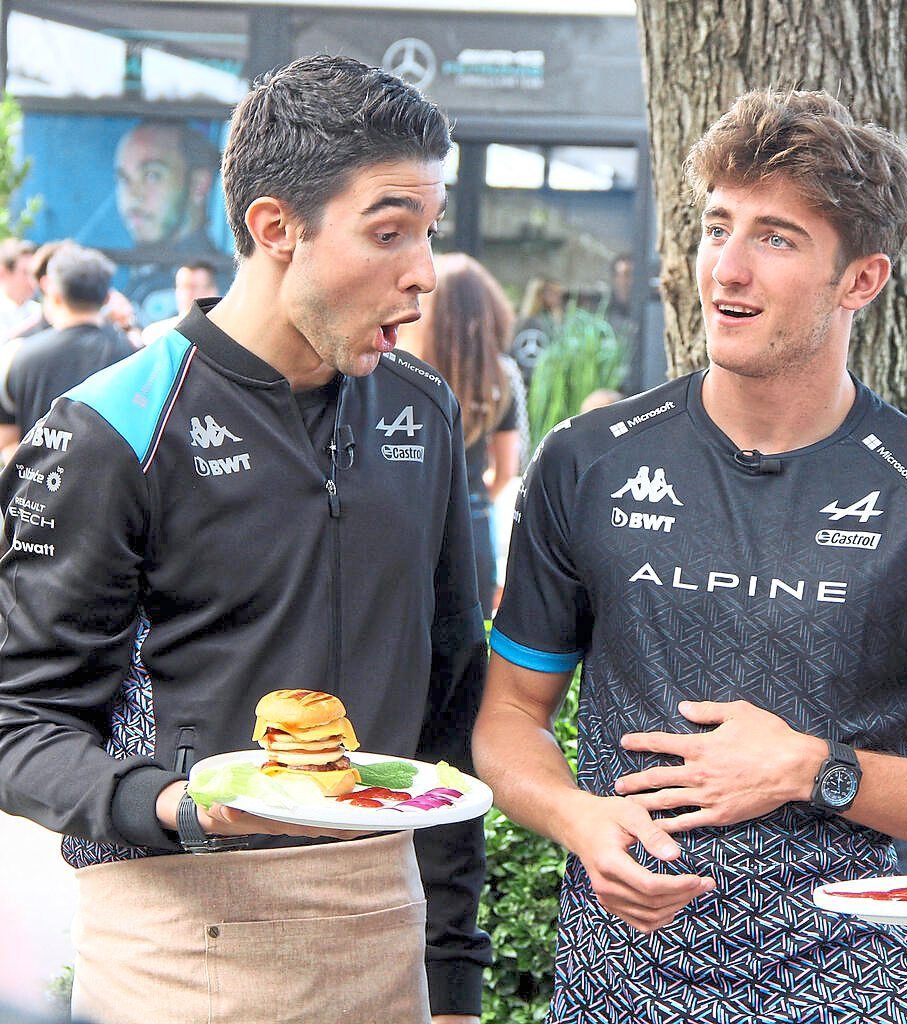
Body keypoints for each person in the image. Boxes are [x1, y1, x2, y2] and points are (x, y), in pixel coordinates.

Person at [472, 88, 907, 1023]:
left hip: (854, 986)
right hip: (620, 983)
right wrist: (578, 817)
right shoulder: (588, 459)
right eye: (716, 225)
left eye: (775, 237)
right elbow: (508, 718)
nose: (726, 266)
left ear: (861, 280)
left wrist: (818, 769)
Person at [0, 55, 489, 1024]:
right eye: (389, 231)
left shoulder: (424, 411)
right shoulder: (113, 425)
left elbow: (447, 697)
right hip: (180, 938)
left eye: (427, 234)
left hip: (381, 924)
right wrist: (178, 805)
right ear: (275, 228)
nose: (423, 273)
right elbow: (17, 722)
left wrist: (454, 972)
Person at [399, 253, 523, 614]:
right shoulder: (500, 379)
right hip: (472, 528)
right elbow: (504, 471)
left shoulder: (402, 374)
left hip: (410, 526)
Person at [0, 244, 133, 461]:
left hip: (39, 487)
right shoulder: (132, 354)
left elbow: (6, 440)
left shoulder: (17, 354)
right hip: (111, 488)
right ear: (106, 297)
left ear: (56, 294)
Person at [114, 121, 220, 252]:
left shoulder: (220, 271)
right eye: (124, 179)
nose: (133, 195)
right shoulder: (123, 266)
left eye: (151, 176)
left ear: (199, 184)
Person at [139, 259, 221, 345]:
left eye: (194, 287)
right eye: (182, 287)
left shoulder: (225, 333)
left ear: (212, 291)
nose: (187, 294)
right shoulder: (155, 334)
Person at [0, 240, 39, 338]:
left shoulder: (39, 312)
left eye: (34, 273)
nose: (33, 280)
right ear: (3, 273)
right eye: (25, 272)